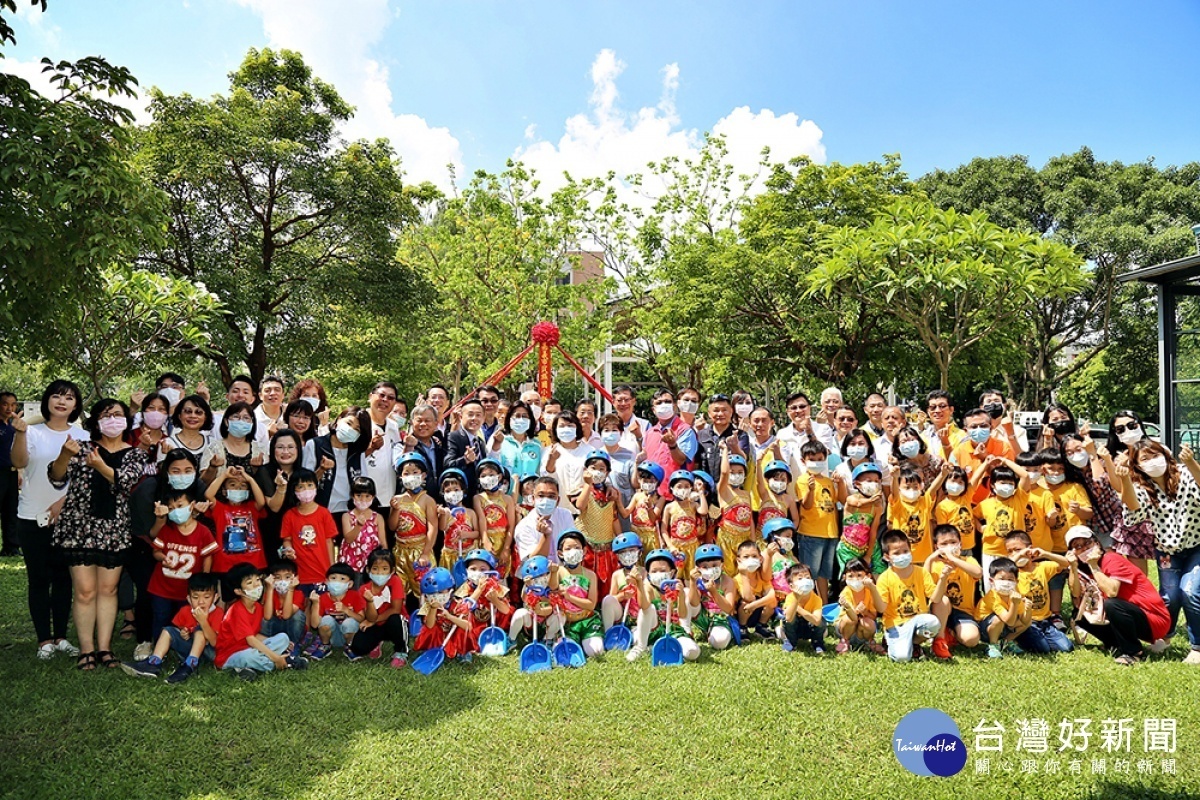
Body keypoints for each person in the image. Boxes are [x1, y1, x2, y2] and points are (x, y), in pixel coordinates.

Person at [49, 397, 149, 669]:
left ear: (126, 420)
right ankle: (86, 649)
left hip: (114, 529)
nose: (113, 419)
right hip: (78, 526)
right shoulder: (80, 448)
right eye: (106, 415)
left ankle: (104, 648)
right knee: (84, 591)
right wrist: (65, 455)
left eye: (117, 414)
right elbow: (56, 477)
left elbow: (125, 482)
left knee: (108, 589)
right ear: (95, 421)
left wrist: (101, 466)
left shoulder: (136, 453)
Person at [1113, 440, 1200, 663]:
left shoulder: (1184, 472)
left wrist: (1191, 463)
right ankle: (1165, 636)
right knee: (1169, 597)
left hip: (1196, 547)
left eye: (1155, 455)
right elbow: (1133, 510)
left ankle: (1197, 646)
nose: (1152, 461)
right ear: (1138, 466)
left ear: (1164, 454)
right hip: (1167, 551)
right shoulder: (1142, 486)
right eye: (1145, 459)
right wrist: (1124, 478)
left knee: (1189, 592)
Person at [1065, 525, 1170, 666]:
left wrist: (1094, 566)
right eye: (1078, 546)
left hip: (1154, 619)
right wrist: (1072, 567)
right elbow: (1076, 593)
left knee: (1112, 604)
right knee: (1080, 614)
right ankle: (1114, 644)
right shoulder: (1085, 569)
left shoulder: (1112, 559)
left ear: (1096, 542)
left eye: (1087, 542)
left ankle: (1133, 652)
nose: (1084, 548)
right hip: (1128, 614)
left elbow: (1112, 591)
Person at [120, 572, 223, 684]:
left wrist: (203, 622)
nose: (201, 601)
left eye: (207, 597)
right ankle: (154, 662)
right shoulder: (185, 611)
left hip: (209, 653)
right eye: (195, 597)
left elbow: (215, 643)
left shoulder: (218, 613)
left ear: (215, 598)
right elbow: (181, 629)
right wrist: (184, 633)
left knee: (200, 632)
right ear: (189, 598)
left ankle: (190, 666)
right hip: (189, 649)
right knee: (167, 630)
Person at [145, 488, 217, 644]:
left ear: (192, 506)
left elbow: (207, 556)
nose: (176, 511)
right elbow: (156, 551)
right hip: (162, 587)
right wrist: (162, 558)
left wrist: (204, 581)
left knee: (187, 620)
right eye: (171, 508)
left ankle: (184, 646)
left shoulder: (203, 532)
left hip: (188, 589)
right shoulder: (166, 530)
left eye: (179, 506)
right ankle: (158, 646)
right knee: (160, 617)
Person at [215, 562, 307, 680]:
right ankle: (285, 662)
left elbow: (255, 635)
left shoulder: (257, 607)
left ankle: (248, 669)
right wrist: (275, 657)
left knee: (283, 638)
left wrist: (271, 642)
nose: (256, 585)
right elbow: (251, 640)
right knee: (248, 657)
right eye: (249, 583)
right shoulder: (236, 610)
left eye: (257, 580)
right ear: (238, 591)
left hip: (250, 648)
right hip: (231, 655)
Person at [876, 528, 949, 662]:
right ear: (887, 557)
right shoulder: (884, 578)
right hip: (896, 626)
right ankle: (891, 641)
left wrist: (943, 579)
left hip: (918, 620)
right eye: (896, 553)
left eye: (905, 551)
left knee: (933, 623)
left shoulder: (921, 572)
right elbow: (881, 609)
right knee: (902, 658)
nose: (902, 555)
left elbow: (936, 598)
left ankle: (915, 643)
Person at [1002, 531, 1073, 653]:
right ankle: (1018, 638)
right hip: (1026, 622)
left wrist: (1045, 553)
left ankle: (1044, 635)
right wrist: (1019, 555)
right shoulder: (1012, 573)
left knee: (1067, 648)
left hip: (1045, 621)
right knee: (1043, 649)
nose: (1014, 553)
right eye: (1010, 551)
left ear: (1030, 548)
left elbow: (1065, 563)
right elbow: (1005, 569)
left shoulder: (1042, 567)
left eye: (1018, 549)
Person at [924, 524, 981, 655]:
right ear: (936, 547)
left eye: (953, 542)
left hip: (963, 611)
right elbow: (924, 584)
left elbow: (978, 573)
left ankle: (951, 633)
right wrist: (930, 559)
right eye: (944, 544)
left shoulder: (969, 560)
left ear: (960, 544)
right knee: (942, 600)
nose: (949, 546)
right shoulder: (935, 565)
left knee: (971, 640)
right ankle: (939, 639)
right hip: (939, 610)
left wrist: (953, 559)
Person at [633, 548, 699, 662]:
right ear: (648, 574)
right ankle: (641, 646)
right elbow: (644, 607)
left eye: (663, 570)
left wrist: (681, 595)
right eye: (654, 571)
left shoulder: (677, 586)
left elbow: (682, 616)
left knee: (693, 652)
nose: (658, 574)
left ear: (672, 572)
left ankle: (655, 648)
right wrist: (639, 584)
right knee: (649, 608)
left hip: (673, 629)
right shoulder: (648, 587)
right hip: (654, 629)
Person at [280, 468, 338, 593]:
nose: (306, 490)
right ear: (294, 489)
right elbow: (287, 540)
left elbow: (329, 541)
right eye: (300, 486)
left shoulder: (324, 513)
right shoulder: (289, 516)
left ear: (316, 487)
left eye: (310, 485)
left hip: (322, 572)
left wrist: (332, 569)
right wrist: (288, 550)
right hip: (300, 575)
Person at [205, 464, 268, 577]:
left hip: (253, 561)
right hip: (225, 563)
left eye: (243, 486)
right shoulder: (220, 509)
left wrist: (249, 479)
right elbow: (208, 495)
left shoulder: (251, 507)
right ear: (224, 491)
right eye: (232, 485)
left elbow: (262, 502)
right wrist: (224, 475)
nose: (238, 488)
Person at [389, 453, 439, 595]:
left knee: (424, 588)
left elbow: (433, 528)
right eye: (406, 473)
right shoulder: (397, 499)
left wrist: (425, 553)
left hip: (420, 549)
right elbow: (392, 527)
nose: (411, 476)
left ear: (423, 475)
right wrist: (395, 510)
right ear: (401, 477)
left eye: (415, 472)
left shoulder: (428, 500)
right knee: (399, 589)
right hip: (400, 550)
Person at [350, 549, 409, 667]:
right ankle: (377, 643)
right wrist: (370, 601)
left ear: (392, 571)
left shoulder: (395, 581)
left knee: (395, 619)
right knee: (357, 647)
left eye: (384, 569)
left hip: (394, 623)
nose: (380, 573)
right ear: (368, 570)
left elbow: (395, 609)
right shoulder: (363, 589)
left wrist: (373, 621)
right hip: (376, 624)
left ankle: (401, 652)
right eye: (375, 569)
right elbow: (370, 617)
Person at [573, 452, 622, 593]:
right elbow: (580, 506)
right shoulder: (582, 490)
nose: (597, 472)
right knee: (586, 583)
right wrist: (588, 484)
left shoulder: (611, 493)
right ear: (586, 470)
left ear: (607, 473)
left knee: (607, 582)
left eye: (602, 469)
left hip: (607, 545)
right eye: (593, 468)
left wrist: (620, 540)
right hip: (587, 545)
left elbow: (614, 519)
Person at [553, 530, 606, 658]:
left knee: (596, 651)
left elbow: (591, 605)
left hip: (587, 620)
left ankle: (587, 639)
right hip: (567, 624)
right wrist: (553, 573)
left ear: (584, 551)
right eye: (568, 548)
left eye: (577, 548)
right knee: (564, 652)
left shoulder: (590, 575)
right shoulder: (559, 572)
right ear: (560, 553)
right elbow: (552, 589)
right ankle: (572, 640)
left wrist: (569, 596)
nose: (573, 551)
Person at [797, 441, 839, 600]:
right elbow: (806, 505)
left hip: (830, 533)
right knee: (809, 573)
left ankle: (824, 604)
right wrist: (811, 490)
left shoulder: (828, 481)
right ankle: (808, 603)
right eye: (812, 459)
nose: (816, 462)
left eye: (820, 459)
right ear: (803, 461)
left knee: (824, 573)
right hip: (811, 533)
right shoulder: (803, 480)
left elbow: (833, 506)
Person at [413, 565, 477, 663]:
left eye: (440, 592)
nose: (436, 596)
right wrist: (433, 609)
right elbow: (429, 625)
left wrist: (450, 616)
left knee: (462, 630)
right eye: (431, 594)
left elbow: (468, 626)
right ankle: (432, 649)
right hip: (439, 637)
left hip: (454, 636)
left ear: (450, 590)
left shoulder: (457, 604)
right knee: (430, 629)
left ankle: (463, 652)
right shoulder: (428, 606)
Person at [641, 390, 698, 500]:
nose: (663, 405)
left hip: (676, 496)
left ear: (675, 406)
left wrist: (672, 445)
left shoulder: (685, 430)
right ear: (653, 410)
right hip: (652, 495)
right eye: (659, 403)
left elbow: (681, 460)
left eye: (667, 402)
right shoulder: (650, 432)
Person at [313, 407, 371, 514]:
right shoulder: (315, 445)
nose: (350, 430)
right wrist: (322, 469)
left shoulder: (357, 453)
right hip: (320, 512)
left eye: (357, 429)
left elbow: (363, 484)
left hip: (349, 514)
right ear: (339, 419)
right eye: (349, 423)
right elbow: (304, 481)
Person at [886, 464, 945, 566]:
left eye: (915, 486)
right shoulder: (898, 504)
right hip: (902, 557)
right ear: (899, 488)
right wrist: (895, 478)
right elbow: (894, 494)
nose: (912, 490)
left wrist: (943, 474)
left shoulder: (924, 502)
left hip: (924, 558)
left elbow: (933, 489)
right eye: (907, 487)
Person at [304, 562, 366, 660]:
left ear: (350, 584)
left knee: (350, 622)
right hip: (331, 636)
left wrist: (346, 610)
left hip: (349, 634)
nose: (337, 582)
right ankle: (325, 646)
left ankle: (350, 647)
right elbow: (315, 625)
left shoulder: (355, 596)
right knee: (326, 619)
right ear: (327, 581)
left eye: (342, 579)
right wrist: (315, 604)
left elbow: (361, 618)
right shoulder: (322, 598)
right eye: (333, 578)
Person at [684, 543, 736, 651]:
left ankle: (715, 634)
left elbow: (729, 608)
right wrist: (693, 582)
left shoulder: (727, 581)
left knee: (719, 643)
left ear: (722, 564)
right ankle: (686, 630)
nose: (710, 569)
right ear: (697, 568)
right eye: (705, 567)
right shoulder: (699, 581)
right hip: (703, 617)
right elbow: (693, 603)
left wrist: (714, 592)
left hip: (720, 619)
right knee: (686, 591)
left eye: (714, 565)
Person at [977, 557, 1032, 659]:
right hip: (984, 630)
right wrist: (1014, 604)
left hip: (1004, 626)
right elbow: (1009, 622)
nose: (1006, 583)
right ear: (991, 581)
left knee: (1027, 622)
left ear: (1016, 581)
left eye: (1010, 579)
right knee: (998, 620)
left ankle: (1007, 642)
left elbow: (1025, 621)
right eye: (1001, 579)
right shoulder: (992, 597)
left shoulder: (1015, 594)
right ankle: (993, 645)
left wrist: (1028, 610)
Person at [836, 463, 885, 574]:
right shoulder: (851, 499)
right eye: (869, 481)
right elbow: (857, 503)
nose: (874, 484)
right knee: (851, 573)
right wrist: (872, 500)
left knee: (879, 572)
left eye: (877, 481)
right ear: (857, 484)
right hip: (848, 547)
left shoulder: (877, 507)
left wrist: (868, 555)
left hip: (868, 545)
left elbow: (873, 532)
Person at [200, 401, 265, 484]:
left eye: (246, 418)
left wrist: (257, 469)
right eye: (236, 417)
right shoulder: (213, 448)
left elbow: (264, 484)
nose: (241, 421)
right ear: (226, 422)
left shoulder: (260, 450)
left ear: (252, 423)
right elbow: (203, 483)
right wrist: (212, 467)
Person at [715, 445, 755, 577]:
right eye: (733, 472)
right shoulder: (723, 491)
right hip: (727, 538)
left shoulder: (746, 494)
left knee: (745, 573)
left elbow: (750, 520)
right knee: (728, 573)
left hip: (744, 538)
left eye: (740, 472)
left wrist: (753, 541)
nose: (736, 475)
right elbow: (724, 473)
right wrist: (725, 450)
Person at [542, 409, 595, 506]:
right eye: (561, 426)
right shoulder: (549, 451)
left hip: (586, 507)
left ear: (577, 428)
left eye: (570, 426)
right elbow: (546, 478)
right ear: (555, 430)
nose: (566, 429)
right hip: (558, 507)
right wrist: (552, 460)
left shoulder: (590, 451)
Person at [833, 558, 887, 655]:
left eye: (859, 575)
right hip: (846, 629)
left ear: (868, 576)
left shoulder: (870, 592)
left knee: (868, 622)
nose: (855, 579)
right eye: (851, 576)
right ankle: (845, 641)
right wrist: (854, 610)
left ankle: (870, 641)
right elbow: (852, 617)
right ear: (845, 577)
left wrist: (865, 612)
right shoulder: (846, 592)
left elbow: (874, 616)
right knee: (850, 619)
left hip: (862, 632)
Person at [694, 394, 751, 483]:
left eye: (724, 410)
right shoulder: (700, 435)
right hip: (706, 489)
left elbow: (744, 460)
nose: (720, 414)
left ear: (731, 411)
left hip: (730, 489)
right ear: (709, 413)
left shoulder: (740, 435)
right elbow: (696, 464)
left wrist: (735, 446)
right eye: (716, 410)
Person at [362, 382, 402, 505]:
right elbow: (347, 458)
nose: (385, 400)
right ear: (370, 396)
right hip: (362, 499)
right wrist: (371, 448)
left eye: (390, 398)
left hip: (389, 499)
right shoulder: (357, 423)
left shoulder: (394, 427)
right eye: (381, 395)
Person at [490, 400, 542, 491]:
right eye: (517, 416)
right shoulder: (499, 440)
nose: (521, 419)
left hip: (528, 499)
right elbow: (490, 465)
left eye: (525, 416)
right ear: (509, 419)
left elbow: (540, 473)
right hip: (504, 498)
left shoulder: (537, 445)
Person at [340, 476, 384, 575]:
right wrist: (358, 526)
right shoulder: (347, 516)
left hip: (372, 564)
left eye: (367, 496)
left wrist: (383, 561)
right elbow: (348, 539)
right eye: (359, 495)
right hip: (351, 563)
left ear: (373, 497)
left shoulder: (378, 517)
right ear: (352, 495)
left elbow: (383, 543)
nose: (363, 499)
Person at [444, 398, 488, 498]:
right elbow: (447, 465)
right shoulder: (453, 437)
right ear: (461, 416)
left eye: (478, 415)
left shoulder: (480, 442)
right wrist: (465, 460)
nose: (474, 418)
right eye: (470, 414)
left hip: (479, 496)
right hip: (460, 496)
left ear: (483, 418)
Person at [437, 469, 479, 568]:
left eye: (456, 490)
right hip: (450, 555)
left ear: (463, 491)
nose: (452, 493)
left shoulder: (471, 513)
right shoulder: (446, 512)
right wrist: (442, 514)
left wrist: (466, 534)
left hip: (468, 555)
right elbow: (442, 527)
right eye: (448, 491)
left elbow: (477, 533)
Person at [401, 404, 445, 499]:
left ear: (436, 423)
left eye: (427, 420)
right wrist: (408, 446)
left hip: (438, 500)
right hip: (414, 501)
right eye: (419, 420)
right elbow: (401, 466)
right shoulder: (402, 444)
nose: (423, 424)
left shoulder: (439, 445)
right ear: (412, 423)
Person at [735, 539, 776, 639]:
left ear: (760, 559)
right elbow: (748, 597)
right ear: (739, 560)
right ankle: (742, 627)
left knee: (772, 603)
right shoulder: (738, 578)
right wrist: (744, 575)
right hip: (741, 613)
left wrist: (754, 605)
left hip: (755, 609)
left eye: (754, 556)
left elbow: (771, 596)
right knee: (745, 603)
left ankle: (761, 626)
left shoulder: (762, 577)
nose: (751, 559)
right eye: (746, 557)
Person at [781, 563, 826, 654]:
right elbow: (788, 618)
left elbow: (817, 621)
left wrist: (799, 609)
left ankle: (817, 642)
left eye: (807, 577)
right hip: (794, 629)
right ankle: (790, 641)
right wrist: (796, 600)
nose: (805, 581)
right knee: (788, 619)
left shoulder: (816, 599)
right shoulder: (790, 597)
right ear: (791, 586)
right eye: (800, 578)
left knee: (822, 621)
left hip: (809, 627)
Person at [261, 558, 306, 647]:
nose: (282, 581)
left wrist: (291, 589)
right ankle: (270, 644)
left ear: (295, 577)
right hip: (275, 630)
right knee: (263, 618)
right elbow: (267, 617)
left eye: (287, 577)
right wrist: (269, 588)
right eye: (277, 577)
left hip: (291, 629)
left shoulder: (298, 594)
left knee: (298, 615)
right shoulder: (270, 593)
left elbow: (286, 615)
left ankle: (293, 645)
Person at [0, 391, 22, 557]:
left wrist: (19, 471)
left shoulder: (14, 427)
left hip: (12, 472)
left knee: (11, 510)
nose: (9, 407)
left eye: (13, 404)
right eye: (5, 404)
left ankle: (11, 547)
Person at [166, 394, 214, 462]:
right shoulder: (168, 443)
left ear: (205, 417)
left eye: (198, 412)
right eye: (188, 411)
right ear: (179, 415)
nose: (193, 416)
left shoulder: (213, 444)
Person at [611, 385, 648, 454]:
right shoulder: (607, 425)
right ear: (613, 402)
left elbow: (651, 452)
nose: (623, 403)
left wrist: (639, 436)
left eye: (626, 400)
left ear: (633, 401)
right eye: (619, 400)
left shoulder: (645, 425)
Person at [255, 375, 287, 440]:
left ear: (283, 395)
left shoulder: (291, 416)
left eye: (277, 390)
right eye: (267, 390)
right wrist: (267, 436)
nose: (272, 393)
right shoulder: (252, 419)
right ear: (260, 395)